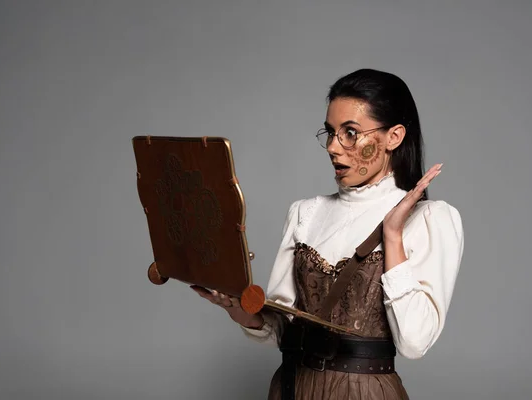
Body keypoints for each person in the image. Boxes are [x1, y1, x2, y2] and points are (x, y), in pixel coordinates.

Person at [192, 68, 464, 399]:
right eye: (330, 132)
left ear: (394, 136)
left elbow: (414, 342)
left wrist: (392, 236)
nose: (333, 148)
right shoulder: (305, 213)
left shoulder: (430, 218)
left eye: (351, 133)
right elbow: (281, 328)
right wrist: (236, 307)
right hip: (293, 387)